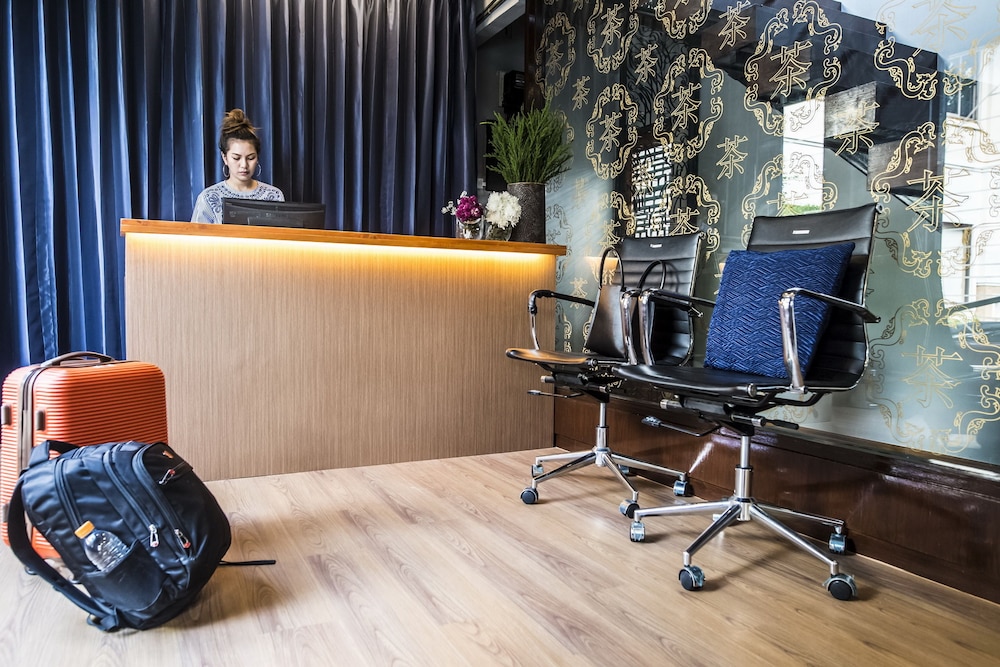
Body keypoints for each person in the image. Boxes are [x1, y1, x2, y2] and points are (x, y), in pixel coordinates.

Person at [191, 109, 284, 224]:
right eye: (236, 158)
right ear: (225, 158)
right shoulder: (208, 198)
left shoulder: (273, 196)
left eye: (250, 158)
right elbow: (197, 235)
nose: (244, 165)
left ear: (257, 157)